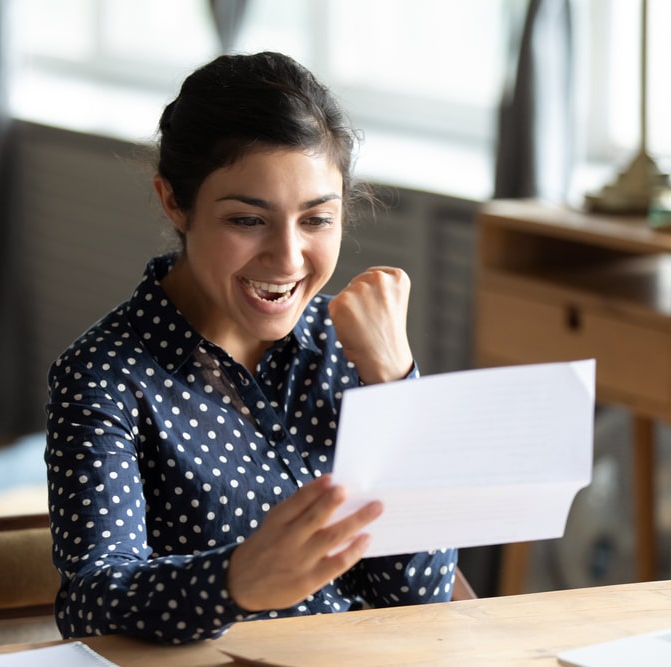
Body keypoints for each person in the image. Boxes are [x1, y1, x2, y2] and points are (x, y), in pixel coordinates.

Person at [45, 51, 458, 645]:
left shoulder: (357, 348)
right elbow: (91, 605)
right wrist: (235, 582)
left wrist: (396, 384)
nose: (287, 258)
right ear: (174, 202)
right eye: (247, 220)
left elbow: (420, 596)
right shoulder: (103, 375)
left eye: (316, 220)